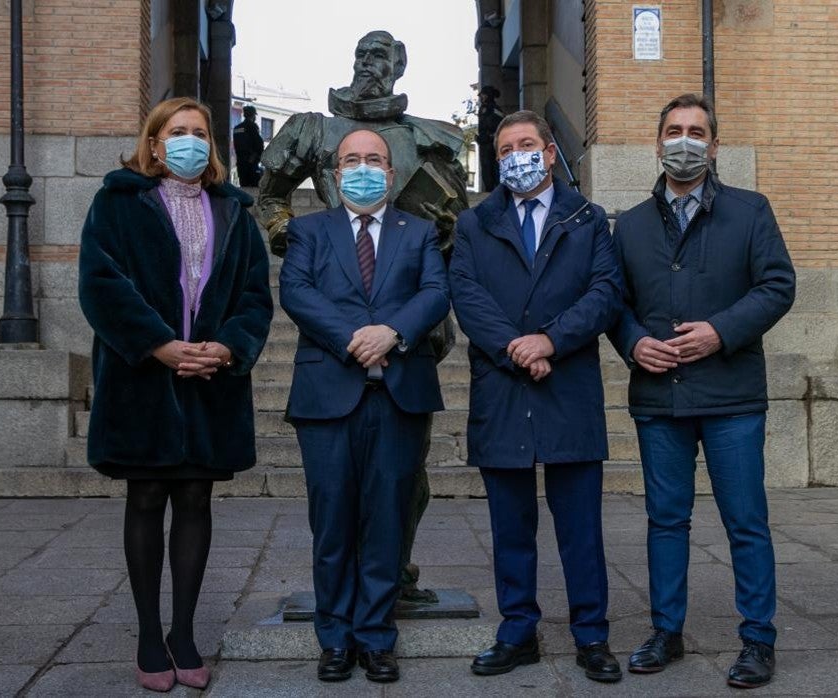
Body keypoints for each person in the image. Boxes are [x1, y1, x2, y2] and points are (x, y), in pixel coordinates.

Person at [258, 29, 466, 604]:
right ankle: (343, 591)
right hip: (336, 308)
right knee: (336, 484)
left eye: (383, 56)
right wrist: (291, 236)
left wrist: (443, 231)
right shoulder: (314, 132)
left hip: (412, 316)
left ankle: (393, 574)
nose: (370, 64)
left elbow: (457, 222)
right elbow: (270, 194)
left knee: (405, 473)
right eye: (364, 54)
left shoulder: (430, 139)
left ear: (400, 67)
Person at [77, 97, 272, 692]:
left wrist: (229, 347)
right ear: (155, 143)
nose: (189, 141)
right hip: (143, 380)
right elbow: (99, 282)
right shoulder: (117, 201)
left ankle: (183, 632)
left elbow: (255, 295)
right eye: (177, 132)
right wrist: (158, 344)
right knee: (146, 498)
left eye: (199, 133)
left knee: (195, 501)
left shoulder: (234, 209)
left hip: (210, 381)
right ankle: (146, 634)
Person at [609, 93, 795, 689]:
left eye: (695, 131)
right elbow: (614, 304)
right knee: (666, 519)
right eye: (673, 130)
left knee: (746, 520)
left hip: (732, 396)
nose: (683, 141)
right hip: (660, 398)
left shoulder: (750, 211)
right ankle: (667, 631)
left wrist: (720, 331)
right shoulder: (631, 225)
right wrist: (634, 341)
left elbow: (777, 286)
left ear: (713, 146)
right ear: (656, 142)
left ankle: (757, 640)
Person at [449, 110, 624, 683]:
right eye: (505, 149)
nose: (516, 156)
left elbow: (605, 292)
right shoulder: (475, 224)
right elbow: (467, 295)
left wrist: (550, 339)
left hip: (567, 386)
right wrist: (517, 348)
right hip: (503, 388)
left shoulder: (588, 219)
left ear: (551, 153)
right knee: (510, 526)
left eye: (527, 145)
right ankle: (517, 629)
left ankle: (591, 635)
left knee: (581, 526)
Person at [280, 128, 450, 684]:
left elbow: (435, 292)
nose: (362, 168)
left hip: (400, 396)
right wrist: (358, 335)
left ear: (392, 173)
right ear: (334, 172)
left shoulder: (420, 231)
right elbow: (297, 292)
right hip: (328, 396)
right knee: (331, 523)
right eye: (351, 159)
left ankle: (376, 637)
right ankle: (334, 638)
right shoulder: (308, 230)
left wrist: (394, 332)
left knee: (386, 521)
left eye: (373, 160)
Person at [233, 105, 264, 186]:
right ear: (253, 115)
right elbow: (259, 144)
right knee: (254, 188)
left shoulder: (237, 128)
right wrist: (257, 156)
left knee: (244, 185)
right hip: (251, 162)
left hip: (240, 162)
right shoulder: (252, 127)